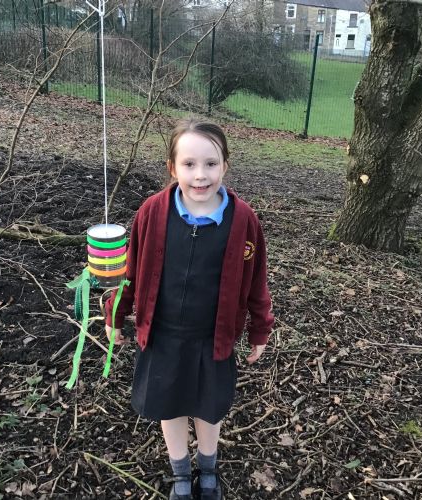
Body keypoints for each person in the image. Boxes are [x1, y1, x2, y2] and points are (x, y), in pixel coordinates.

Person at [105, 118, 274, 500]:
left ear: (225, 165)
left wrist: (260, 327)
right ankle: (181, 472)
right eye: (189, 164)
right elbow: (131, 271)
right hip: (164, 335)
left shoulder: (243, 220)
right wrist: (117, 312)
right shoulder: (152, 212)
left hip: (212, 338)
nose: (200, 175)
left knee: (208, 409)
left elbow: (256, 279)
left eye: (211, 164)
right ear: (172, 167)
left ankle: (208, 469)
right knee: (171, 406)